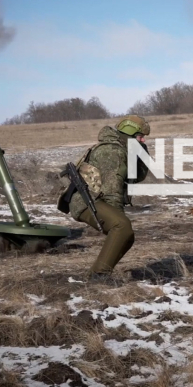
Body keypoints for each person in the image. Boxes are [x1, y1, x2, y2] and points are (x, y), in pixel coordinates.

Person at [58, 115, 150, 280]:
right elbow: (111, 190)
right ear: (130, 133)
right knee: (122, 227)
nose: (143, 139)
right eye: (140, 136)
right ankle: (98, 276)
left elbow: (136, 177)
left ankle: (99, 272)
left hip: (95, 199)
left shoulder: (124, 149)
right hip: (86, 201)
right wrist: (118, 220)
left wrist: (143, 153)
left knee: (127, 236)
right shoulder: (112, 151)